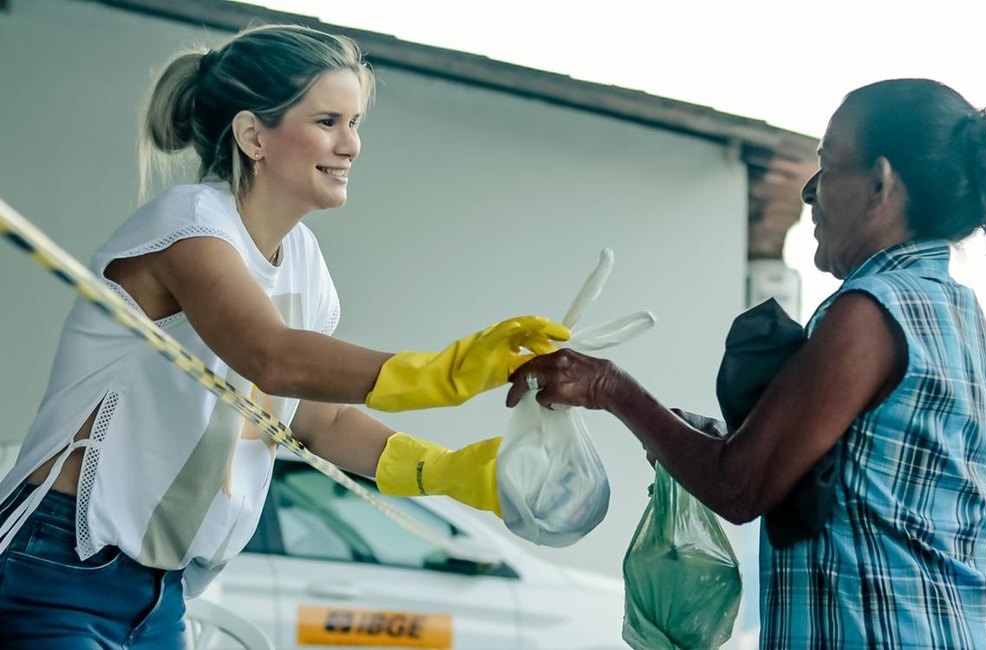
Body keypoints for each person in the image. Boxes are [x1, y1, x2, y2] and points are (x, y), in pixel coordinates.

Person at [0, 24, 568, 649]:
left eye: (355, 123)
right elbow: (272, 358)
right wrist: (449, 372)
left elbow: (315, 421)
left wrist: (447, 470)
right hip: (57, 560)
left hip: (161, 589)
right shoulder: (190, 224)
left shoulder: (305, 263)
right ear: (253, 136)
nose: (351, 145)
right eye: (328, 120)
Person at [508, 78, 986, 648]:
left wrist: (607, 385)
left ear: (879, 185)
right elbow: (870, 487)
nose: (810, 192)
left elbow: (740, 486)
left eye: (828, 166)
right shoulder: (959, 313)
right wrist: (715, 438)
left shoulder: (871, 311)